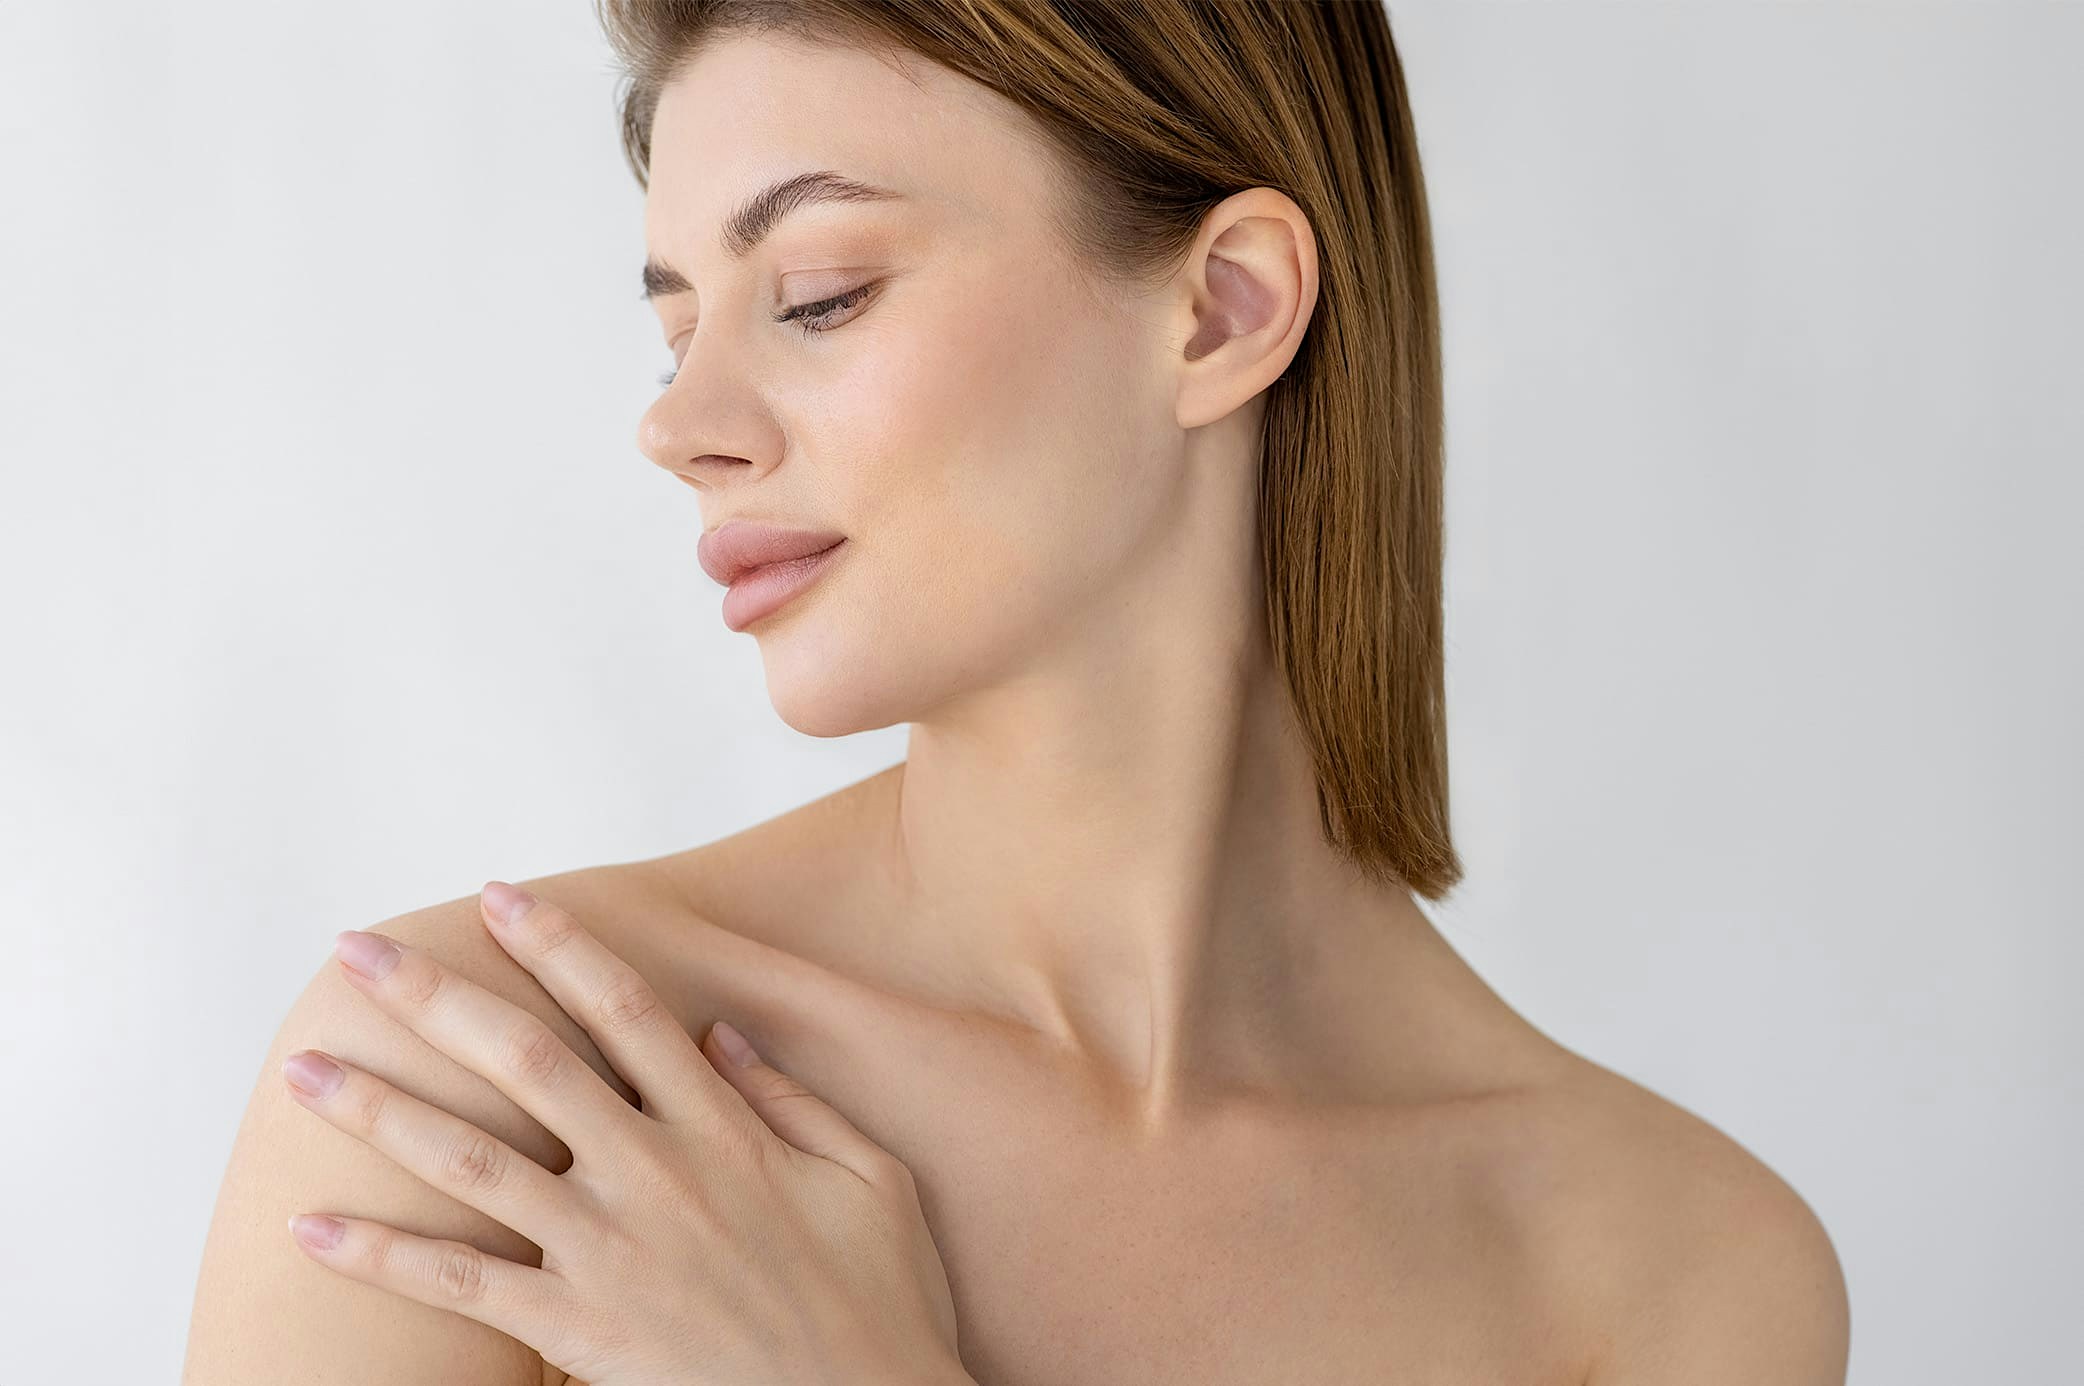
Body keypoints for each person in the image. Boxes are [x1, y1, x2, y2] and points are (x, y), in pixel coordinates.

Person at [184, 3, 1850, 1382]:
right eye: (675, 330)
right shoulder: (493, 1096)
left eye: (819, 294)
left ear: (1222, 309)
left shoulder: (1678, 1273)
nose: (682, 422)